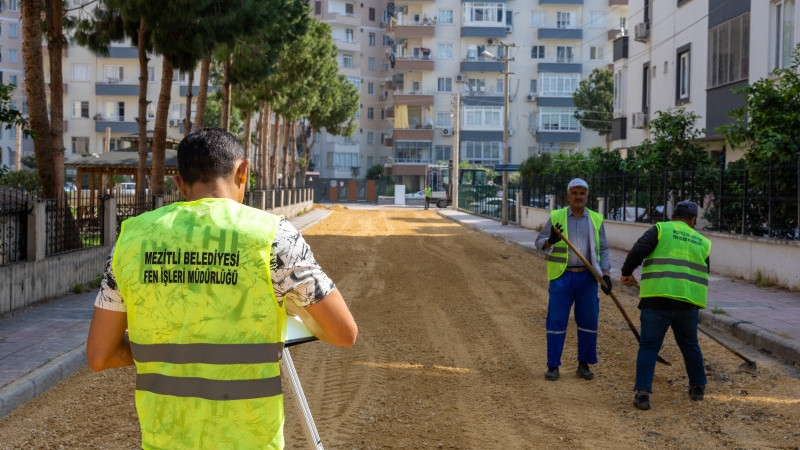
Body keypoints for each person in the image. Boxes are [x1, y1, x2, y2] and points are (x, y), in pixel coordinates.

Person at [86, 128, 358, 449]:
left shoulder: (131, 240)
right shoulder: (272, 237)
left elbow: (100, 355)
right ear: (243, 170)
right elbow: (343, 332)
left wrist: (172, 343)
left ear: (179, 184)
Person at [620, 201, 710, 411]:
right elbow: (704, 272)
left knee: (649, 347)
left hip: (657, 300)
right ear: (693, 220)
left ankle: (643, 394)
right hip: (687, 303)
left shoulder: (660, 229)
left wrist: (626, 272)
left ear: (673, 215)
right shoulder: (702, 241)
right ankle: (698, 387)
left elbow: (638, 250)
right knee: (690, 345)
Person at [535, 178, 611, 381]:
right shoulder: (556, 216)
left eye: (582, 193)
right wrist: (551, 240)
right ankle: (553, 366)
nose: (578, 197)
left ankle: (584, 365)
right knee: (556, 321)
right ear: (568, 195)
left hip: (588, 278)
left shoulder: (595, 219)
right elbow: (539, 242)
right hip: (562, 276)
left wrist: (606, 273)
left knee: (588, 321)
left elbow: (603, 249)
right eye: (575, 193)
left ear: (587, 196)